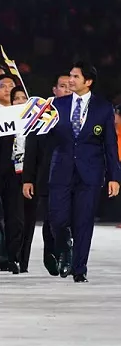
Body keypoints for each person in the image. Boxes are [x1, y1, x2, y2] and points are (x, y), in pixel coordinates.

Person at [47, 62, 120, 283]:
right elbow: (45, 137)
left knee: (84, 220)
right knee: (57, 220)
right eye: (70, 76)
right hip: (61, 169)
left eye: (75, 77)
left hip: (90, 172)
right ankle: (64, 244)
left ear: (88, 81)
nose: (70, 80)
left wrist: (114, 177)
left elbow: (110, 146)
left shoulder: (103, 108)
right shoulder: (57, 105)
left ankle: (79, 269)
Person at [22, 73, 71, 276]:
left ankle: (66, 254)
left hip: (72, 177)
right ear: (54, 89)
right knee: (52, 220)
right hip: (47, 178)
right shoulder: (43, 114)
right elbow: (31, 149)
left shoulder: (80, 114)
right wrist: (27, 179)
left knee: (68, 220)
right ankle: (51, 253)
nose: (66, 89)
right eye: (62, 86)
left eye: (70, 86)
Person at [0, 76, 25, 274]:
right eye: (5, 86)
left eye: (21, 96)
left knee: (16, 219)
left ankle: (13, 257)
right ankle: (3, 256)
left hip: (21, 174)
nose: (17, 100)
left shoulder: (33, 120)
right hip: (1, 174)